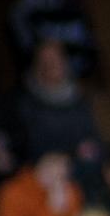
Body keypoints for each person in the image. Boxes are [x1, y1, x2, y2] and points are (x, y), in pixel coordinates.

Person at [13, 38, 102, 175]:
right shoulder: (25, 105)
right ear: (36, 65)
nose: (52, 65)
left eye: (56, 58)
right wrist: (72, 154)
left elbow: (97, 138)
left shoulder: (83, 94)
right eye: (45, 60)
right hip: (53, 178)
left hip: (93, 173)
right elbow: (29, 150)